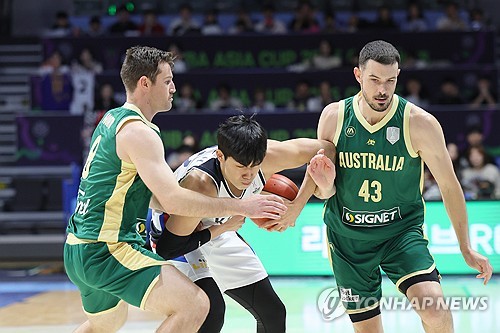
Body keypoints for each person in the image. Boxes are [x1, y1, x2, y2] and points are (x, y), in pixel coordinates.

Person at [63, 46, 287, 333]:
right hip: (107, 248)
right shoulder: (140, 132)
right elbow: (172, 201)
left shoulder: (112, 118)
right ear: (145, 83)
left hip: (78, 246)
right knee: (195, 304)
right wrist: (242, 206)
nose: (174, 88)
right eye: (167, 81)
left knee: (105, 324)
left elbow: (155, 196)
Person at [307, 40, 493, 333]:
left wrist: (465, 246)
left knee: (434, 308)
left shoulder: (420, 123)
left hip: (400, 232)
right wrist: (325, 186)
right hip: (348, 238)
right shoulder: (334, 117)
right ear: (358, 75)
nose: (383, 89)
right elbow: (325, 192)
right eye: (375, 80)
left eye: (390, 80)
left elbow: (449, 185)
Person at [149, 115, 335, 332]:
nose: (248, 175)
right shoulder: (200, 184)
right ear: (220, 156)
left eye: (254, 166)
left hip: (221, 225)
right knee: (211, 312)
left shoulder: (269, 157)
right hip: (178, 233)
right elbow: (169, 247)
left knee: (273, 312)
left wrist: (297, 207)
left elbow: (325, 151)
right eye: (240, 167)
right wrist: (221, 228)